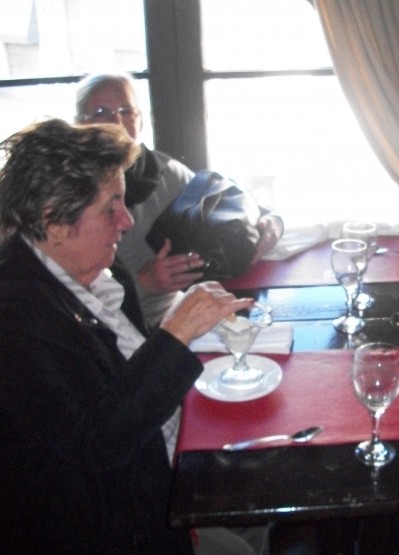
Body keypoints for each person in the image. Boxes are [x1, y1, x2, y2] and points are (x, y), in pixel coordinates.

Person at [0, 119, 254, 553]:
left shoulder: (106, 271)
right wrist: (175, 335)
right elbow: (97, 443)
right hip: (102, 527)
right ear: (53, 221)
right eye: (111, 207)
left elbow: (129, 373)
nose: (128, 221)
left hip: (160, 470)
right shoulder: (16, 317)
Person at [74, 72, 283, 328]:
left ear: (141, 121)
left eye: (126, 111)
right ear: (78, 123)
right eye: (100, 111)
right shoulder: (63, 191)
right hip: (94, 335)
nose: (116, 122)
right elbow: (60, 298)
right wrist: (143, 284)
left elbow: (238, 207)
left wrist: (270, 225)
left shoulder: (163, 173)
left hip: (168, 327)